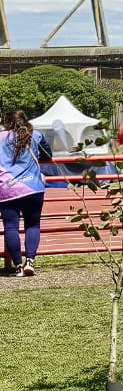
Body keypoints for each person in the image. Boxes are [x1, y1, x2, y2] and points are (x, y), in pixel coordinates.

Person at [0, 109, 50, 277]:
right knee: (33, 225)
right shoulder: (36, 135)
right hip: (33, 187)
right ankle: (30, 261)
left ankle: (18, 266)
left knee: (11, 227)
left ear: (7, 123)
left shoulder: (0, 137)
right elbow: (48, 155)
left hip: (8, 188)